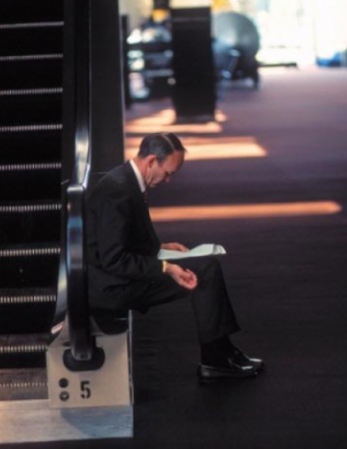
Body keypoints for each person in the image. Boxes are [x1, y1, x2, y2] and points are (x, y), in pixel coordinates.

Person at [85, 132, 264, 381]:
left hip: (115, 277)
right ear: (151, 162)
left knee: (206, 266)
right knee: (205, 271)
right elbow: (114, 259)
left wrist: (162, 248)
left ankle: (221, 352)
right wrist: (166, 267)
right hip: (111, 287)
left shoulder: (125, 181)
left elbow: (120, 241)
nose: (168, 180)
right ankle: (216, 359)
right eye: (168, 173)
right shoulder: (118, 191)